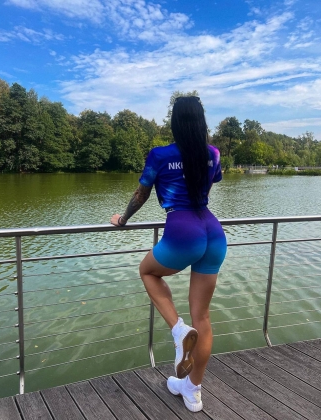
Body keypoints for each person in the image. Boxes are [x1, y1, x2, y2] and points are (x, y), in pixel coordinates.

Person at [110, 96, 227, 412]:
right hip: (213, 233)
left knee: (147, 271)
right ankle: (192, 391)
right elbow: (210, 183)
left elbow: (141, 194)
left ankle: (178, 331)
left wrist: (123, 219)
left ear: (174, 122)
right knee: (203, 318)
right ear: (202, 122)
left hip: (183, 230)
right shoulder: (212, 153)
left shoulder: (160, 155)